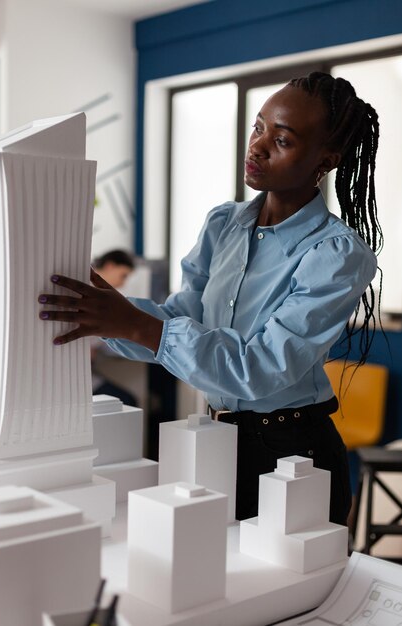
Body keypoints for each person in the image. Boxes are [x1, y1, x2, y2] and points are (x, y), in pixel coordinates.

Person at [38, 71, 382, 525]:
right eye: (258, 127)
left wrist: (137, 325)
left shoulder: (336, 254)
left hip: (293, 453)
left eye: (282, 140)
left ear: (326, 159)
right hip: (213, 439)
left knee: (291, 591)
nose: (257, 146)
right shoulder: (224, 224)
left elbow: (261, 368)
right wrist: (102, 315)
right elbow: (183, 317)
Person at [91, 250, 137, 407]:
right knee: (127, 402)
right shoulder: (90, 292)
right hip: (76, 377)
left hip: (88, 371)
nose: (123, 283)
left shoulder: (100, 296)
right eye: (123, 275)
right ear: (110, 266)